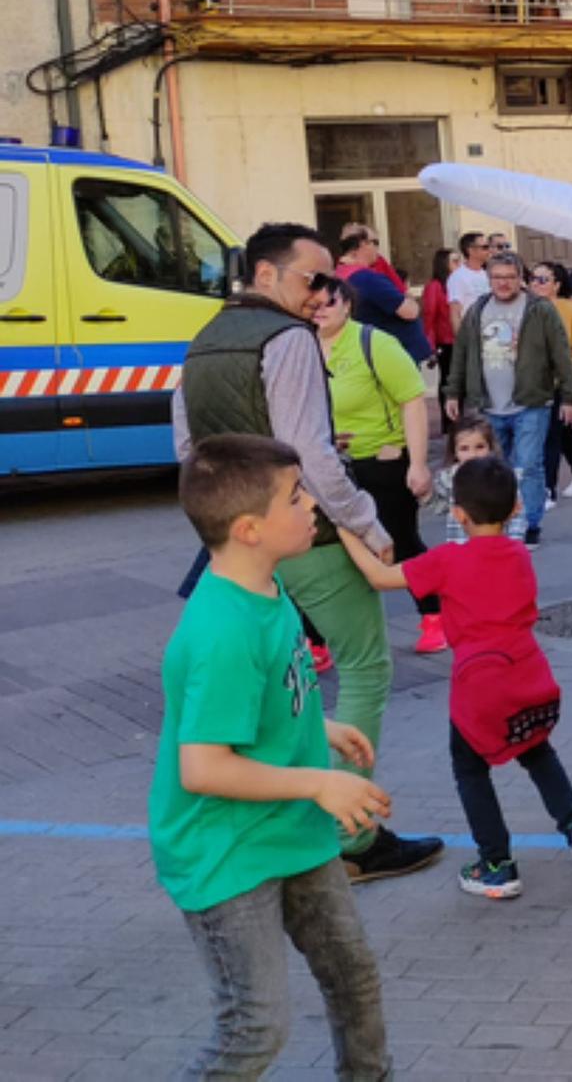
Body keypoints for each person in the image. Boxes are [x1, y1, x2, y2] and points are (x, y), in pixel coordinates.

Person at [171, 222, 442, 882]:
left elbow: (188, 450)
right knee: (366, 665)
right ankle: (353, 835)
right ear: (266, 275)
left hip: (238, 542)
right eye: (311, 278)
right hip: (303, 531)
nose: (322, 293)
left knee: (283, 677)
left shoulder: (204, 340)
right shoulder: (287, 337)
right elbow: (309, 454)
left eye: (330, 281)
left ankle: (296, 815)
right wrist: (366, 518)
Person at [153, 435, 393, 1078]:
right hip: (227, 854)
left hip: (293, 834)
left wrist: (325, 724)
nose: (312, 501)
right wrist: (320, 783)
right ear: (250, 528)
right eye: (296, 495)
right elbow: (203, 767)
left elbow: (275, 691)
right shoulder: (222, 630)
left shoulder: (266, 585)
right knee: (255, 1027)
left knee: (354, 979)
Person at [339, 457, 572, 900]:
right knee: (537, 751)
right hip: (528, 674)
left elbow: (378, 576)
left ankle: (496, 864)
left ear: (459, 514)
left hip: (480, 686)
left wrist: (347, 530)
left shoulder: (447, 559)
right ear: (513, 511)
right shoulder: (517, 555)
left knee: (470, 769)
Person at [313, 278, 447, 656]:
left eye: (329, 303)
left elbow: (412, 402)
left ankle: (434, 616)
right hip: (327, 466)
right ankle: (316, 640)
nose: (320, 310)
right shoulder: (302, 346)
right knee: (320, 551)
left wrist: (417, 463)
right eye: (314, 304)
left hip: (382, 460)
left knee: (400, 541)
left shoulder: (375, 344)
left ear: (347, 306)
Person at [442, 252, 572, 551]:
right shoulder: (477, 310)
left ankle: (529, 525)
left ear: (520, 279)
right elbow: (461, 354)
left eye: (509, 277)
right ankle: (497, 522)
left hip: (531, 400)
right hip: (488, 404)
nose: (503, 283)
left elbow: (561, 354)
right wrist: (453, 392)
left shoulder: (539, 310)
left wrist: (569, 395)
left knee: (528, 465)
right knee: (492, 468)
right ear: (488, 279)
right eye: (497, 277)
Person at [531, 261, 572, 502]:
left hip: (561, 381)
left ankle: (548, 488)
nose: (536, 284)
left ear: (556, 285)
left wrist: (570, 372)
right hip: (535, 382)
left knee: (551, 433)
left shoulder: (570, 309)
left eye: (543, 279)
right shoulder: (527, 308)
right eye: (533, 278)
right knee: (561, 429)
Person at [336, 228, 430, 366]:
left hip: (370, 353)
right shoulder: (367, 278)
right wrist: (410, 298)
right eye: (375, 242)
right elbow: (410, 312)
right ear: (363, 244)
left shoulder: (339, 275)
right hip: (395, 356)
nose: (377, 250)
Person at [432, 419, 528, 544]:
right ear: (455, 452)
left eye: (480, 447)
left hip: (496, 549)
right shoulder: (449, 478)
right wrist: (426, 495)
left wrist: (515, 542)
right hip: (462, 547)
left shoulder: (499, 476)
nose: (472, 454)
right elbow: (441, 506)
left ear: (490, 448)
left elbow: (517, 513)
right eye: (464, 448)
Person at [421, 248, 459, 392]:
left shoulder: (458, 283)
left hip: (461, 338)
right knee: (448, 378)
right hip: (445, 340)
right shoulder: (435, 287)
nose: (459, 265)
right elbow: (429, 316)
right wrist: (430, 347)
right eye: (455, 261)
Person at [446, 230, 492, 326]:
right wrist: (461, 339)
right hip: (471, 332)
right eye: (485, 247)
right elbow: (455, 313)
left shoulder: (487, 274)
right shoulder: (458, 277)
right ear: (470, 250)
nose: (489, 251)